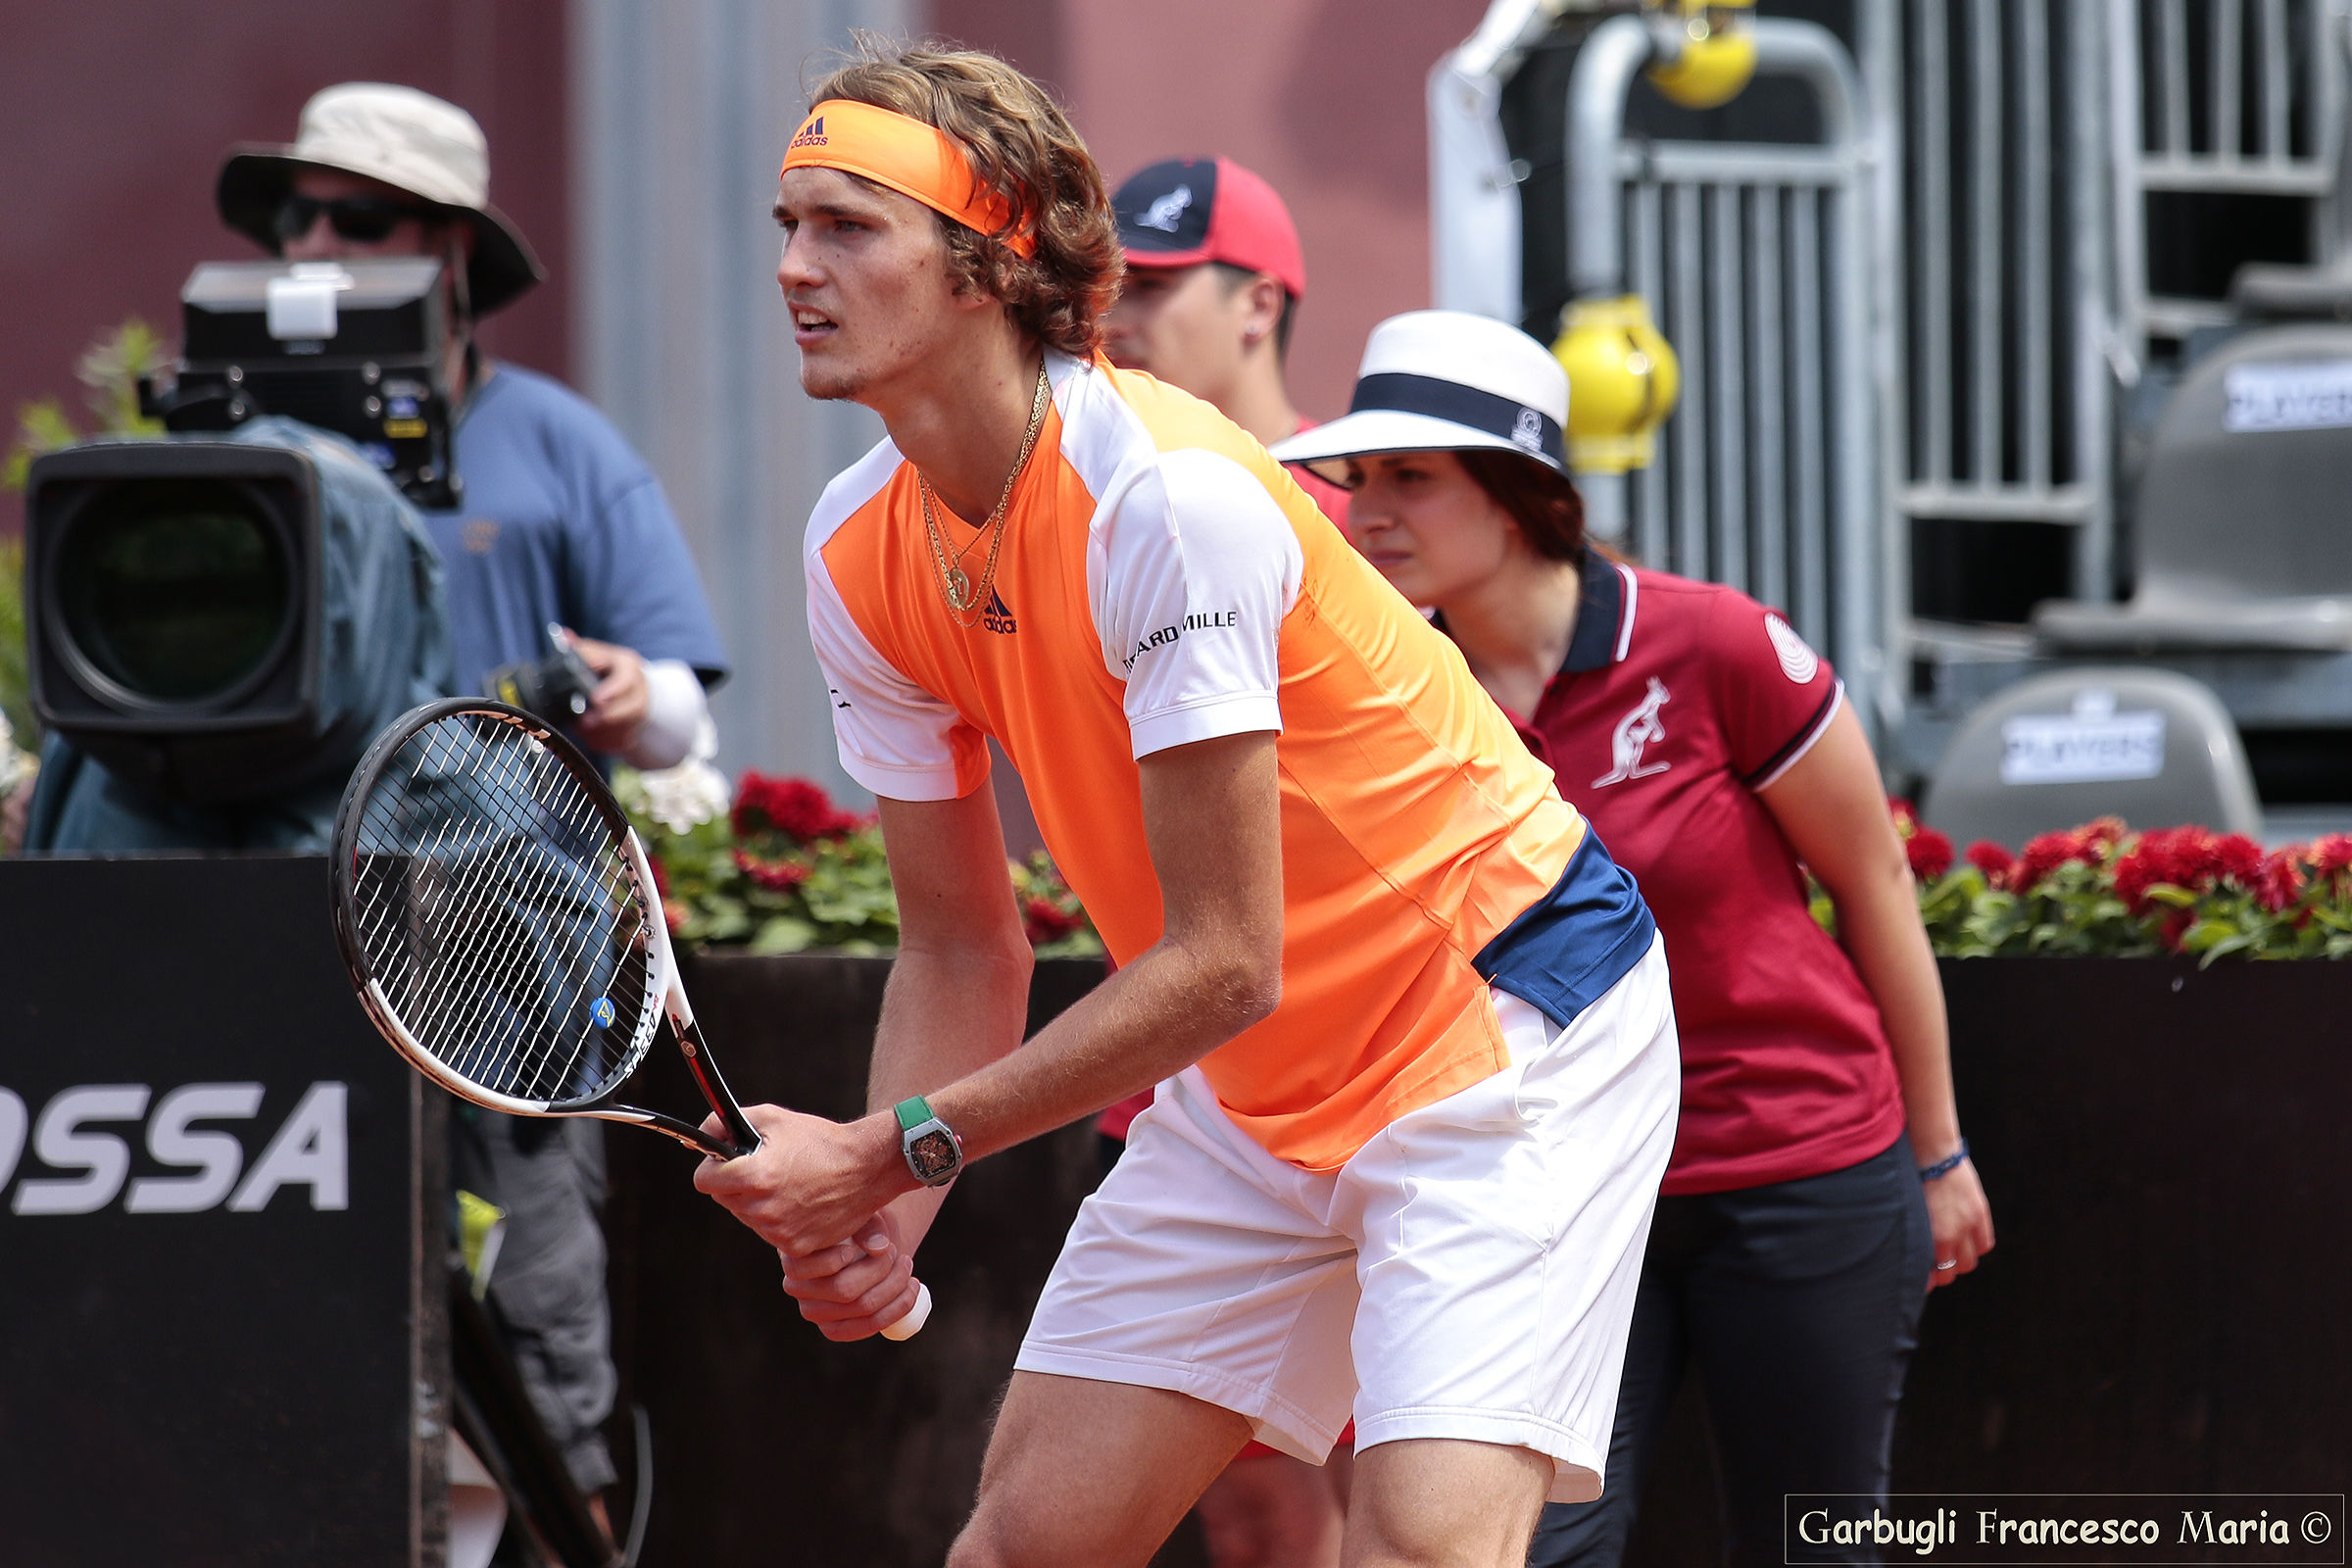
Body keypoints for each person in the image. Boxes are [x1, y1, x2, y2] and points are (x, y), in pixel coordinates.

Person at [692, 39, 1681, 1568]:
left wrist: (890, 1151)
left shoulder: (1169, 499)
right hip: (1264, 1079)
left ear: (984, 261)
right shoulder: (852, 554)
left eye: (848, 226)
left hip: (1502, 1017)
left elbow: (1224, 955)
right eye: (788, 227)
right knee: (1025, 1549)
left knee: (1422, 1548)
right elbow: (965, 950)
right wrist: (887, 1226)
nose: (798, 268)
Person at [1273, 311, 1998, 1568]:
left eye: (1413, 477)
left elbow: (1875, 880)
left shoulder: (1712, 642)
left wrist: (1940, 1154)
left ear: (1522, 495)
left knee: (1810, 1546)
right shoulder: (1383, 696)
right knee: (1538, 1550)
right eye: (1359, 479)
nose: (1368, 510)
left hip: (1799, 1163)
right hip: (1546, 1196)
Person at [216, 82, 732, 1522]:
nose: (314, 241)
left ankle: (554, 1525)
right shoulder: (217, 453)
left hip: (496, 952)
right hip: (254, 933)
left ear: (449, 252)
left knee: (533, 1302)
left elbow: (683, 690)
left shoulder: (555, 442)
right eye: (293, 215)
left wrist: (636, 697)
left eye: (359, 218)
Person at [1103, 152, 1351, 1568]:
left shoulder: (1366, 502)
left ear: (1260, 302)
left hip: (1379, 1067)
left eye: (1157, 284)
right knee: (1247, 1508)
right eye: (1106, 287)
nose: (1119, 315)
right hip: (1182, 1059)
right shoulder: (1101, 510)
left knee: (1406, 1498)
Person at [1102, 156, 1348, 523]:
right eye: (1105, 290)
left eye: (1149, 286)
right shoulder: (1082, 489)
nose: (1108, 322)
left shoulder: (1357, 507)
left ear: (1258, 306)